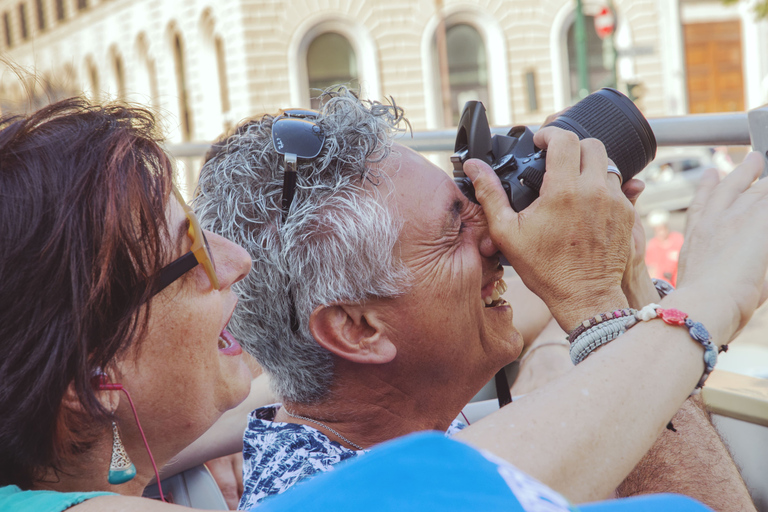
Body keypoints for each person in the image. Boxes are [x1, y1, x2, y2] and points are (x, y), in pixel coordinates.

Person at [195, 88, 765, 511]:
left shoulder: (381, 437)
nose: (496, 236)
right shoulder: (363, 493)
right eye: (455, 224)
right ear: (357, 328)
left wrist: (619, 274)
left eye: (475, 198)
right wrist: (618, 297)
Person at [644, 208, 684, 286]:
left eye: (662, 229)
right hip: (664, 286)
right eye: (657, 230)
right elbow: (652, 270)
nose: (661, 233)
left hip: (680, 283)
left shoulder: (678, 239)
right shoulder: (653, 245)